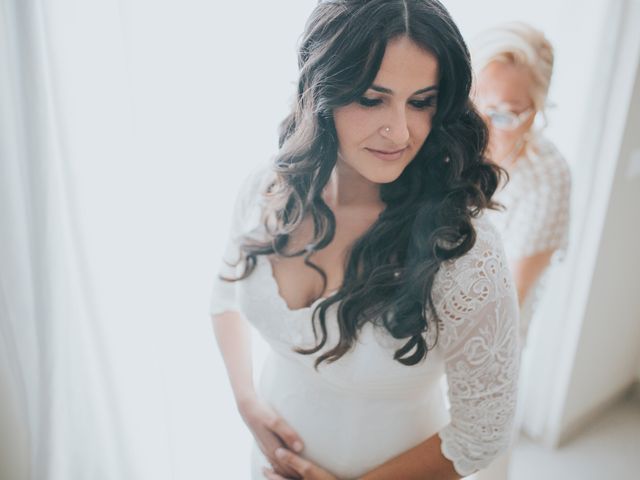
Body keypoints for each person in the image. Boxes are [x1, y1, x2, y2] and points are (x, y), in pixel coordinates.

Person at [209, 1, 520, 479]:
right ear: (322, 91)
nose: (400, 131)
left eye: (421, 102)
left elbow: (484, 433)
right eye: (373, 99)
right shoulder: (267, 188)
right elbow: (226, 294)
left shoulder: (464, 252)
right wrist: (247, 403)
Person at [469, 22, 572, 479]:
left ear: (536, 111)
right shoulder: (456, 146)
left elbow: (508, 298)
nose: (487, 127)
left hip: (491, 344)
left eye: (507, 114)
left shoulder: (547, 176)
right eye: (478, 106)